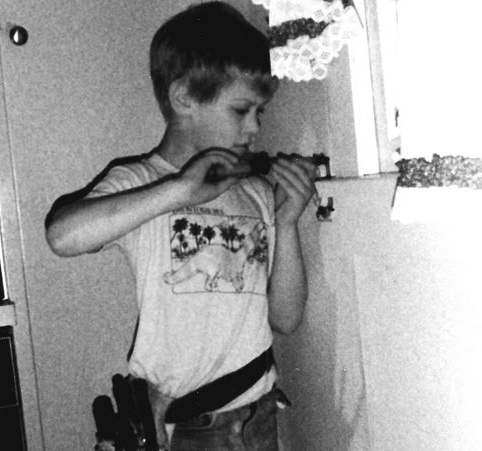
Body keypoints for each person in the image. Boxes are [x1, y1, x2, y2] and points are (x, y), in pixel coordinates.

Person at [45, 2, 316, 449]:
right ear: (184, 97)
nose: (254, 128)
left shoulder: (255, 192)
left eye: (260, 113)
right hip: (184, 427)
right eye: (241, 110)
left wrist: (287, 222)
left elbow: (285, 319)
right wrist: (179, 191)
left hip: (256, 415)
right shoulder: (141, 182)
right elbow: (62, 236)